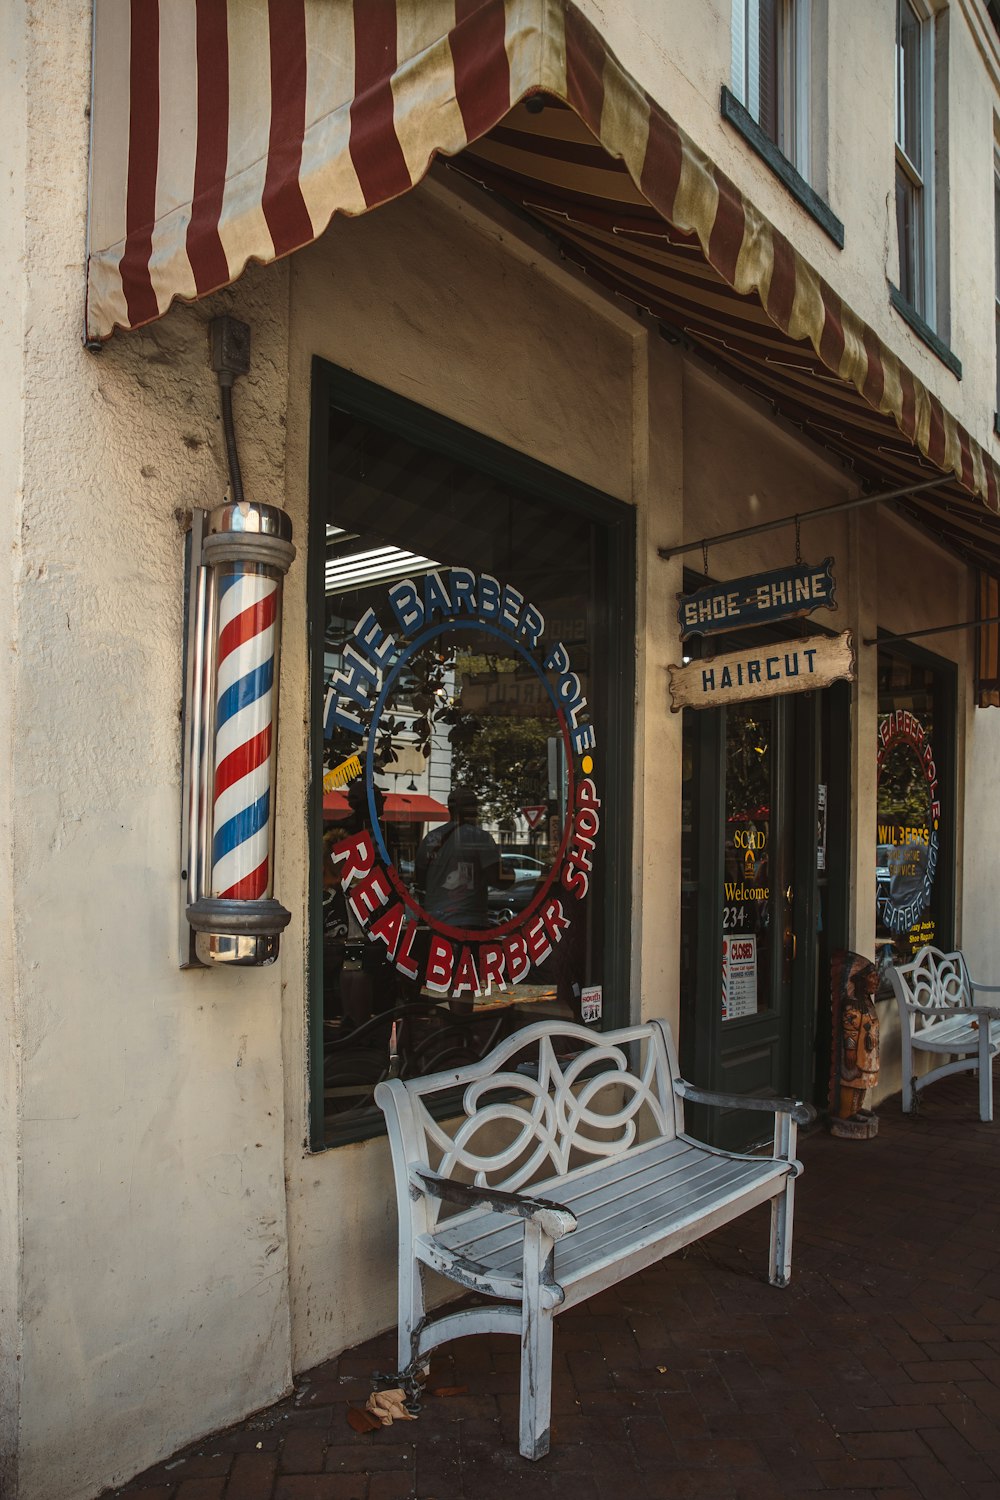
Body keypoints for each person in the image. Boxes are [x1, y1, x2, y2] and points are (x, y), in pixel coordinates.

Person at [416, 787, 506, 929]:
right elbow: (498, 880)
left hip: (435, 921)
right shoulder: (480, 837)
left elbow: (420, 881)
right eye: (474, 806)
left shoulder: (431, 838)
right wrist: (510, 873)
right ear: (471, 809)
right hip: (470, 922)